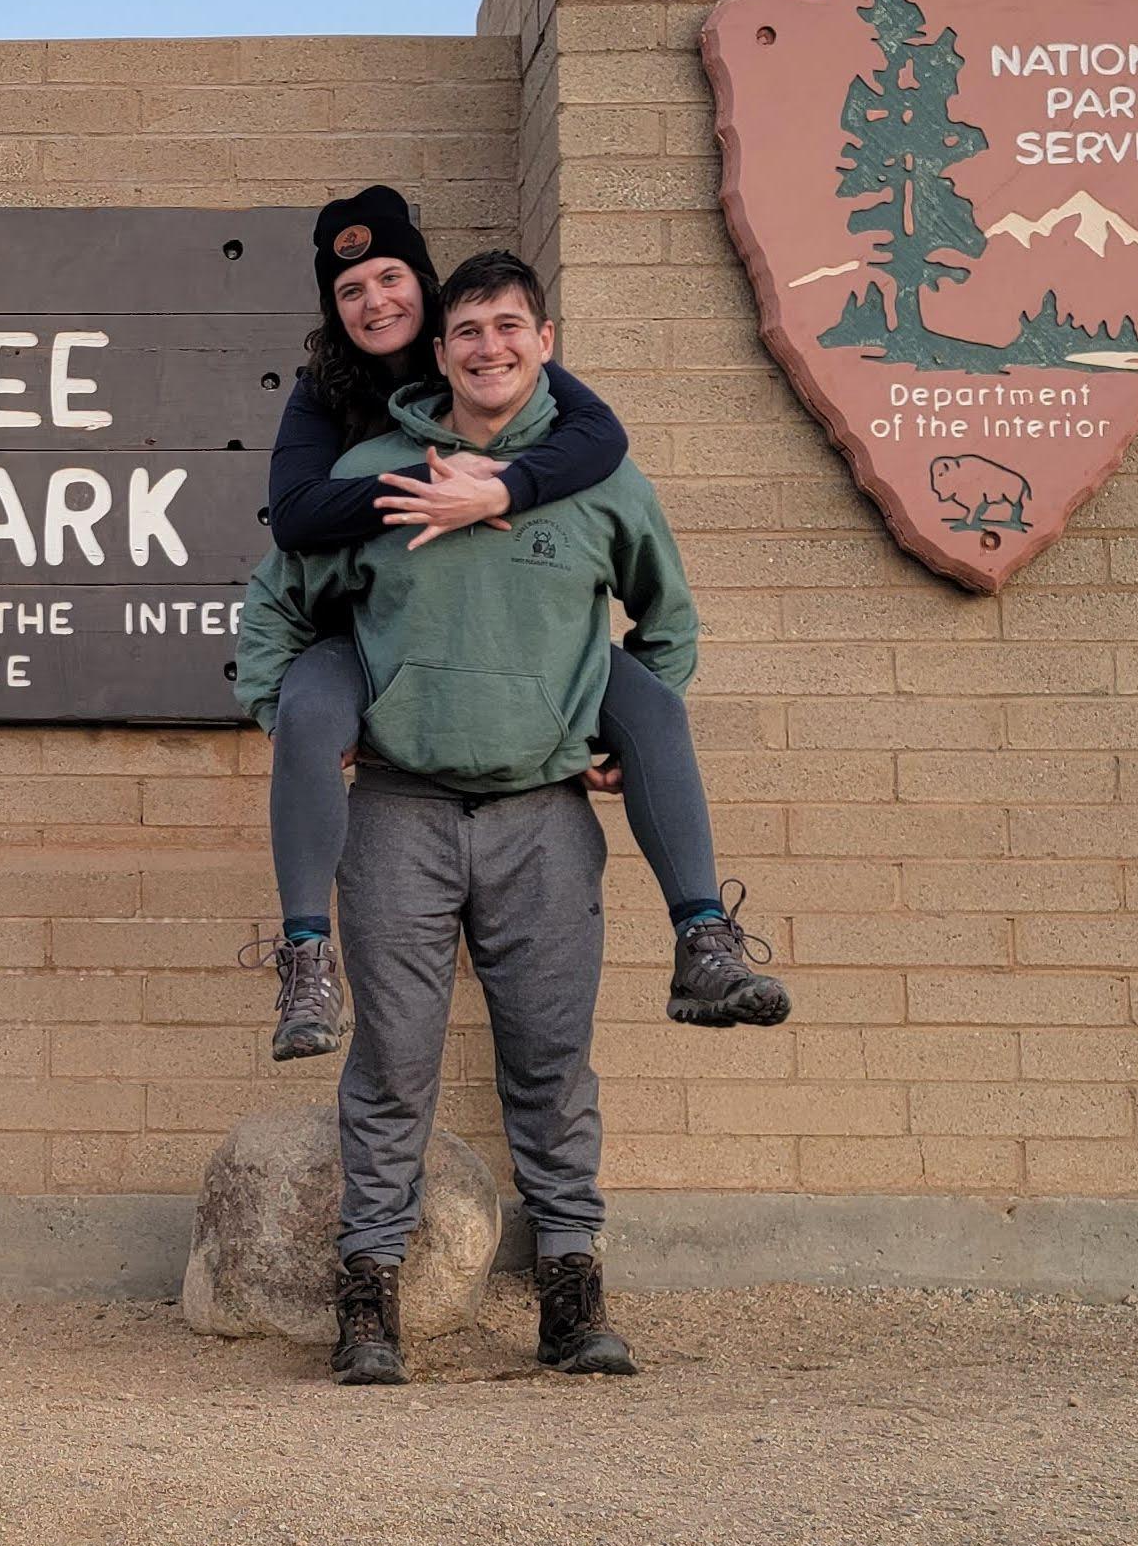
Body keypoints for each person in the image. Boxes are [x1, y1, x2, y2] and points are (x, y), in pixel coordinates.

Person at [239, 251, 701, 1385]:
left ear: (543, 337)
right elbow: (275, 605)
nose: (488, 347)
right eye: (466, 333)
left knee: (551, 1061)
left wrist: (615, 732)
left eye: (508, 326)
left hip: (541, 816)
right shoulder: (376, 472)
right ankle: (368, 1298)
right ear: (436, 352)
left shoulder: (598, 478)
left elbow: (667, 620)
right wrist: (288, 712)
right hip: (397, 811)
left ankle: (572, 1290)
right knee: (391, 1065)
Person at [251, 185, 782, 1060]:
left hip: (531, 639)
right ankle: (306, 955)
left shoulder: (515, 370)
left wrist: (499, 489)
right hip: (375, 634)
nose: (374, 299)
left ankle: (703, 939)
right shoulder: (325, 400)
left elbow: (602, 443)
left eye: (390, 277)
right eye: (349, 290)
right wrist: (432, 492)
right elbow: (298, 521)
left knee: (651, 705)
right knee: (307, 707)